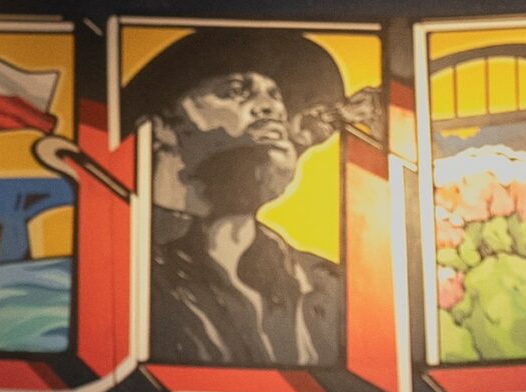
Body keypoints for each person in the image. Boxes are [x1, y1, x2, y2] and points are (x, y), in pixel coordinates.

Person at [121, 28, 378, 367]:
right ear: (161, 128)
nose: (270, 107)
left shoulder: (323, 282)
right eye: (236, 92)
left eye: (275, 95)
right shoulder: (129, 272)